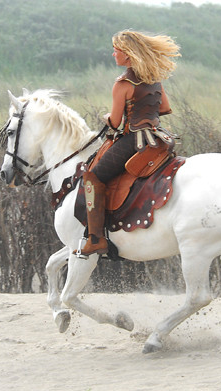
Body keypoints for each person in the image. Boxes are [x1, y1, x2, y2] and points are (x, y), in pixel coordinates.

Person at [76, 29, 180, 257]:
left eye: (116, 50)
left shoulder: (122, 83)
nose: (113, 54)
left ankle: (95, 239)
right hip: (159, 139)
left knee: (93, 177)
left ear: (128, 55)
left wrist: (107, 118)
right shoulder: (154, 78)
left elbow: (114, 121)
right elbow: (164, 108)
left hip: (134, 140)